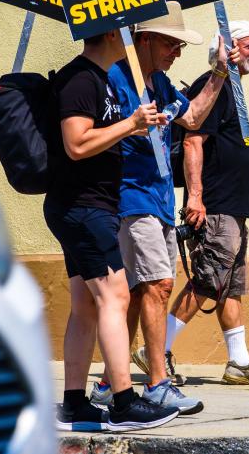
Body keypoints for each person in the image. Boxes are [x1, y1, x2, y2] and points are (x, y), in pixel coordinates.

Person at [91, 2, 235, 414]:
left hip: (157, 200)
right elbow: (98, 134)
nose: (177, 51)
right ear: (147, 39)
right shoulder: (117, 77)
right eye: (171, 43)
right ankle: (157, 382)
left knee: (141, 292)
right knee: (158, 286)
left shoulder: (160, 81)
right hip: (130, 198)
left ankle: (106, 382)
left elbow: (192, 117)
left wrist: (220, 72)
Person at [43, 28, 178, 432]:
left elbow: (95, 138)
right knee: (115, 296)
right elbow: (77, 144)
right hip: (84, 207)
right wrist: (131, 123)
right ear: (109, 35)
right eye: (125, 30)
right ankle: (123, 402)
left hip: (88, 205)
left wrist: (132, 127)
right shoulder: (82, 79)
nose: (131, 38)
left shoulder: (98, 80)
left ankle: (73, 404)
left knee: (86, 305)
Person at [150, 18, 249, 385]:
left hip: (235, 204)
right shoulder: (214, 86)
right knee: (209, 279)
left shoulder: (233, 90)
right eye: (248, 45)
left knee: (230, 283)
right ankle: (156, 349)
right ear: (226, 50)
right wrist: (195, 198)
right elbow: (194, 141)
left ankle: (238, 361)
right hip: (215, 204)